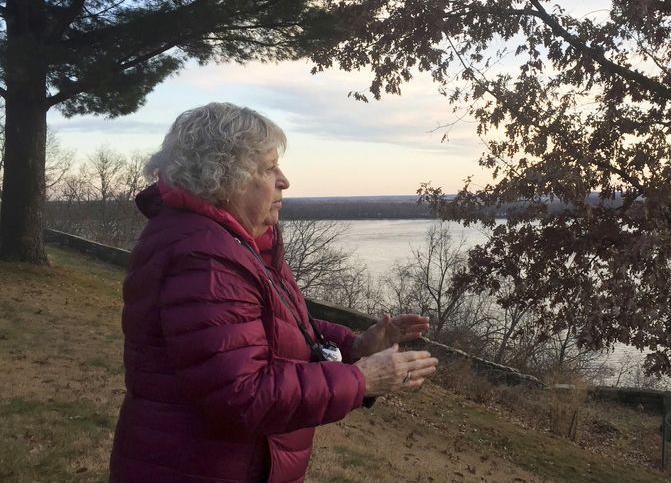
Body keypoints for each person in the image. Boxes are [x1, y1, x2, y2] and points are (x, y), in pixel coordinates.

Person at [109, 102, 438, 482]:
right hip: (201, 467)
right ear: (222, 177)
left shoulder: (236, 242)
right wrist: (363, 379)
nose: (284, 180)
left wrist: (355, 346)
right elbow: (242, 394)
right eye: (268, 168)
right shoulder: (204, 257)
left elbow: (266, 325)